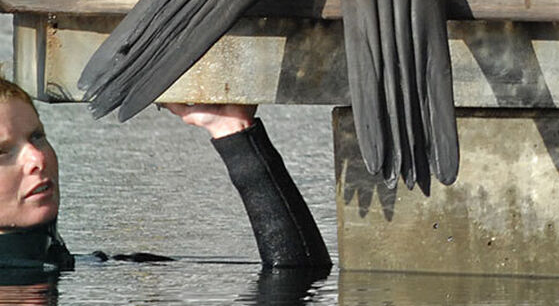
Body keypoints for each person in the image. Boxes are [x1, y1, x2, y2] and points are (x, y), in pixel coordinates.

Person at [0, 77, 330, 273]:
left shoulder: (90, 267)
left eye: (37, 137)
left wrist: (232, 132)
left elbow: (299, 279)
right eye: (3, 152)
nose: (37, 158)